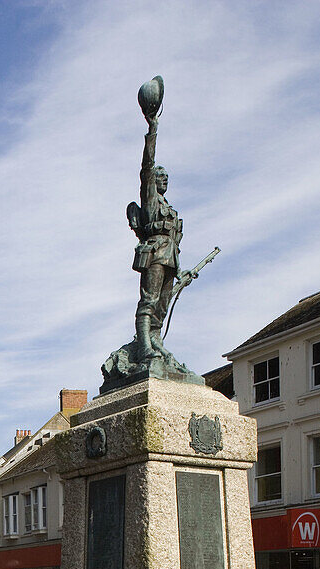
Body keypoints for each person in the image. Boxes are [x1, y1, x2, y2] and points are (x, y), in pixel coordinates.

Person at [126, 77, 193, 362]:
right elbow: (148, 165)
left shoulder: (171, 209)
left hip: (170, 257)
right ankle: (144, 347)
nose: (163, 179)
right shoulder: (150, 199)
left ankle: (155, 341)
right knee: (149, 301)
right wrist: (152, 130)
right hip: (154, 254)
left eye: (167, 177)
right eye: (159, 176)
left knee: (162, 305)